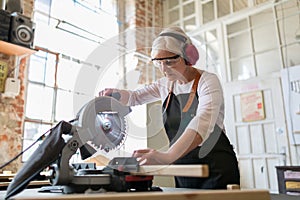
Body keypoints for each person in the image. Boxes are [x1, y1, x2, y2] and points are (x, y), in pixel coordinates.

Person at [99, 27, 240, 189]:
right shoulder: (165, 85)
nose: (164, 69)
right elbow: (135, 97)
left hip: (216, 166)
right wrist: (115, 95)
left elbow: (203, 121)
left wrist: (167, 156)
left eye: (169, 62)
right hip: (184, 169)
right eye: (159, 63)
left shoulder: (207, 81)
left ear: (189, 57)